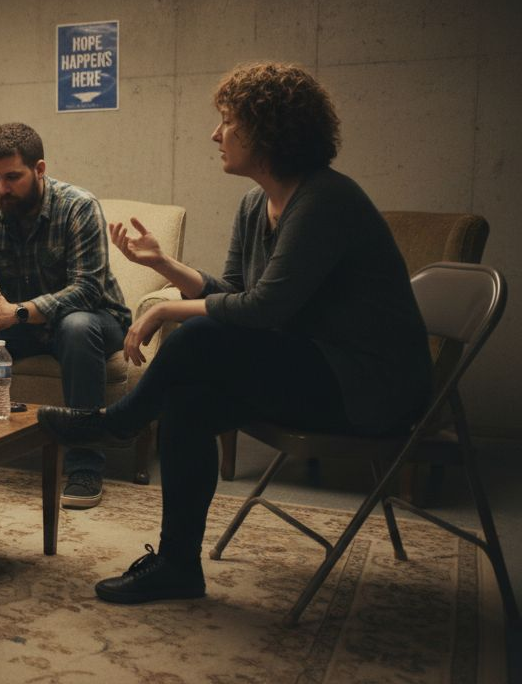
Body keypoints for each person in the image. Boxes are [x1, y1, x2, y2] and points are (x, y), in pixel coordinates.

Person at [38, 62, 433, 604]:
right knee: (189, 400)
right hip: (315, 368)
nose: (215, 134)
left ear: (268, 130)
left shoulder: (325, 201)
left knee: (196, 336)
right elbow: (237, 292)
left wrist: (165, 312)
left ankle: (119, 423)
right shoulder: (255, 204)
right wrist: (166, 266)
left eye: (227, 121)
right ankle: (178, 564)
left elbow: (261, 309)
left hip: (370, 388)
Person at [0, 122, 131, 509]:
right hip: (17, 322)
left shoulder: (78, 206)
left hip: (93, 320)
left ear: (39, 169)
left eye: (12, 177)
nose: (2, 188)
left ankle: (84, 464)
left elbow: (87, 289)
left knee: (76, 326)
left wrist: (16, 313)